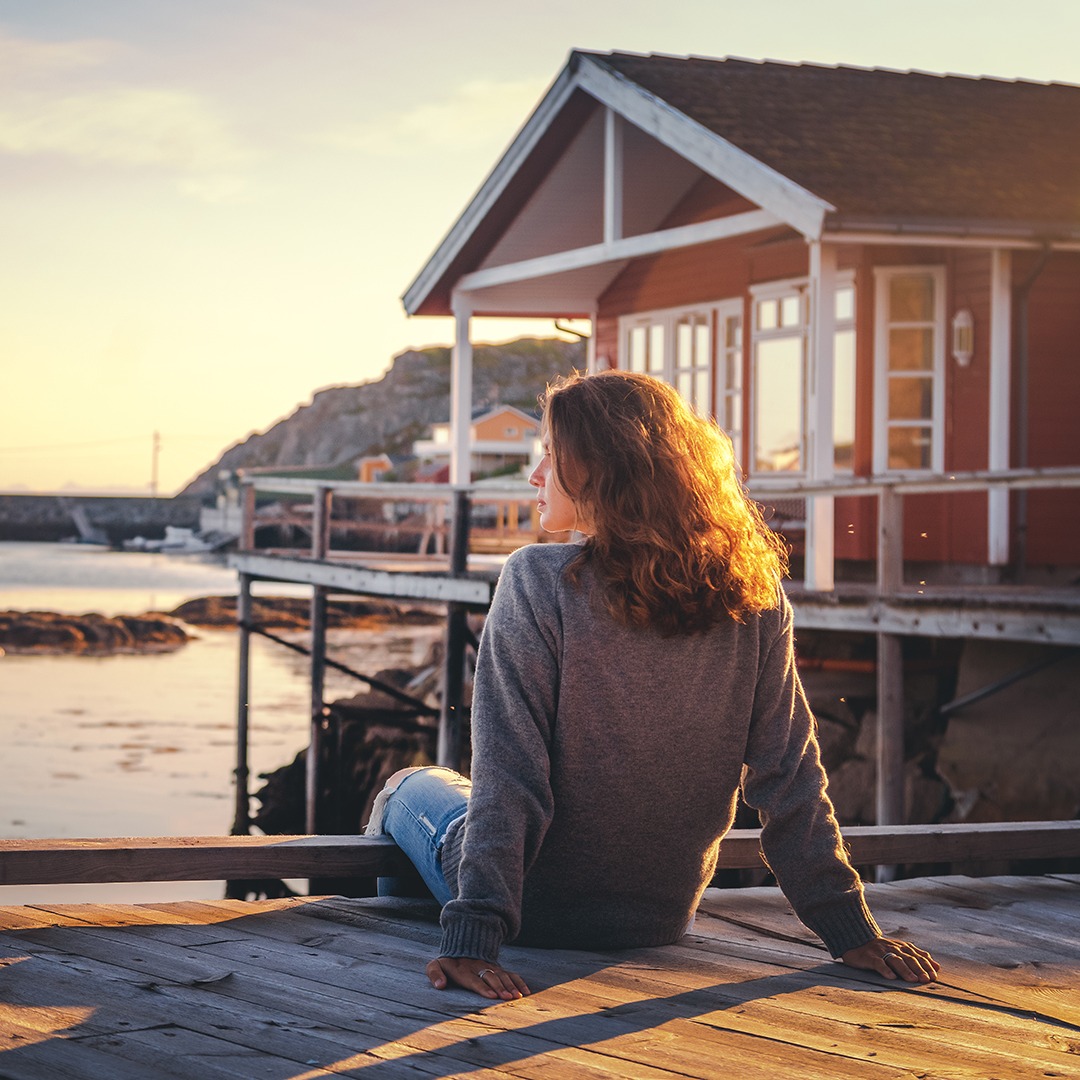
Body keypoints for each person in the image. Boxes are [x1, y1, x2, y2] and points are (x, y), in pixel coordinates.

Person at [365, 370, 940, 1000]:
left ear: (598, 472)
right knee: (464, 796)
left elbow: (511, 776)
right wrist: (848, 930)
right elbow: (789, 775)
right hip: (661, 916)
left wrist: (474, 933)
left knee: (406, 789)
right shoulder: (751, 595)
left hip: (532, 911)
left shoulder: (537, 580)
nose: (535, 476)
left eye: (551, 458)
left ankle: (434, 959)